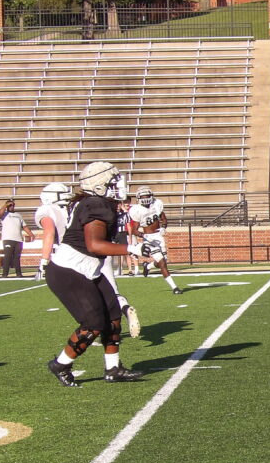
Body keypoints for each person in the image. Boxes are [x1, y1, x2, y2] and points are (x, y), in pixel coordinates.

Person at [44, 163, 156, 386]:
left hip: (88, 269)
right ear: (98, 186)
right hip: (69, 270)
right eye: (112, 182)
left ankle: (113, 368)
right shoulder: (95, 204)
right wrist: (132, 249)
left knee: (113, 315)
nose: (118, 186)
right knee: (94, 323)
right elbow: (95, 245)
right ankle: (61, 364)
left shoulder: (101, 203)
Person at [36, 182, 142, 339]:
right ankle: (124, 309)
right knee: (111, 294)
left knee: (89, 304)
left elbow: (49, 232)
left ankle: (91, 335)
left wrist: (44, 260)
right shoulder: (76, 205)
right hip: (100, 253)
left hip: (73, 259)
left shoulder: (48, 210)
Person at [129, 186, 182, 294]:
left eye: (147, 196)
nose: (145, 198)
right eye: (143, 197)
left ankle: (148, 265)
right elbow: (134, 230)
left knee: (163, 261)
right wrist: (142, 235)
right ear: (138, 198)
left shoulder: (157, 204)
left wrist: (163, 227)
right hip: (149, 238)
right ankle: (175, 288)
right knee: (162, 262)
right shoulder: (137, 210)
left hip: (158, 236)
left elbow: (163, 219)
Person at [0, 199, 34, 278]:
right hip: (8, 238)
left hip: (18, 239)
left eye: (13, 205)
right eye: (10, 205)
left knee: (17, 257)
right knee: (7, 256)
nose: (11, 207)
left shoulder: (18, 215)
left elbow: (24, 226)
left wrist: (31, 234)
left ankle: (18, 273)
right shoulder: (4, 214)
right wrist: (5, 205)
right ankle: (5, 274)